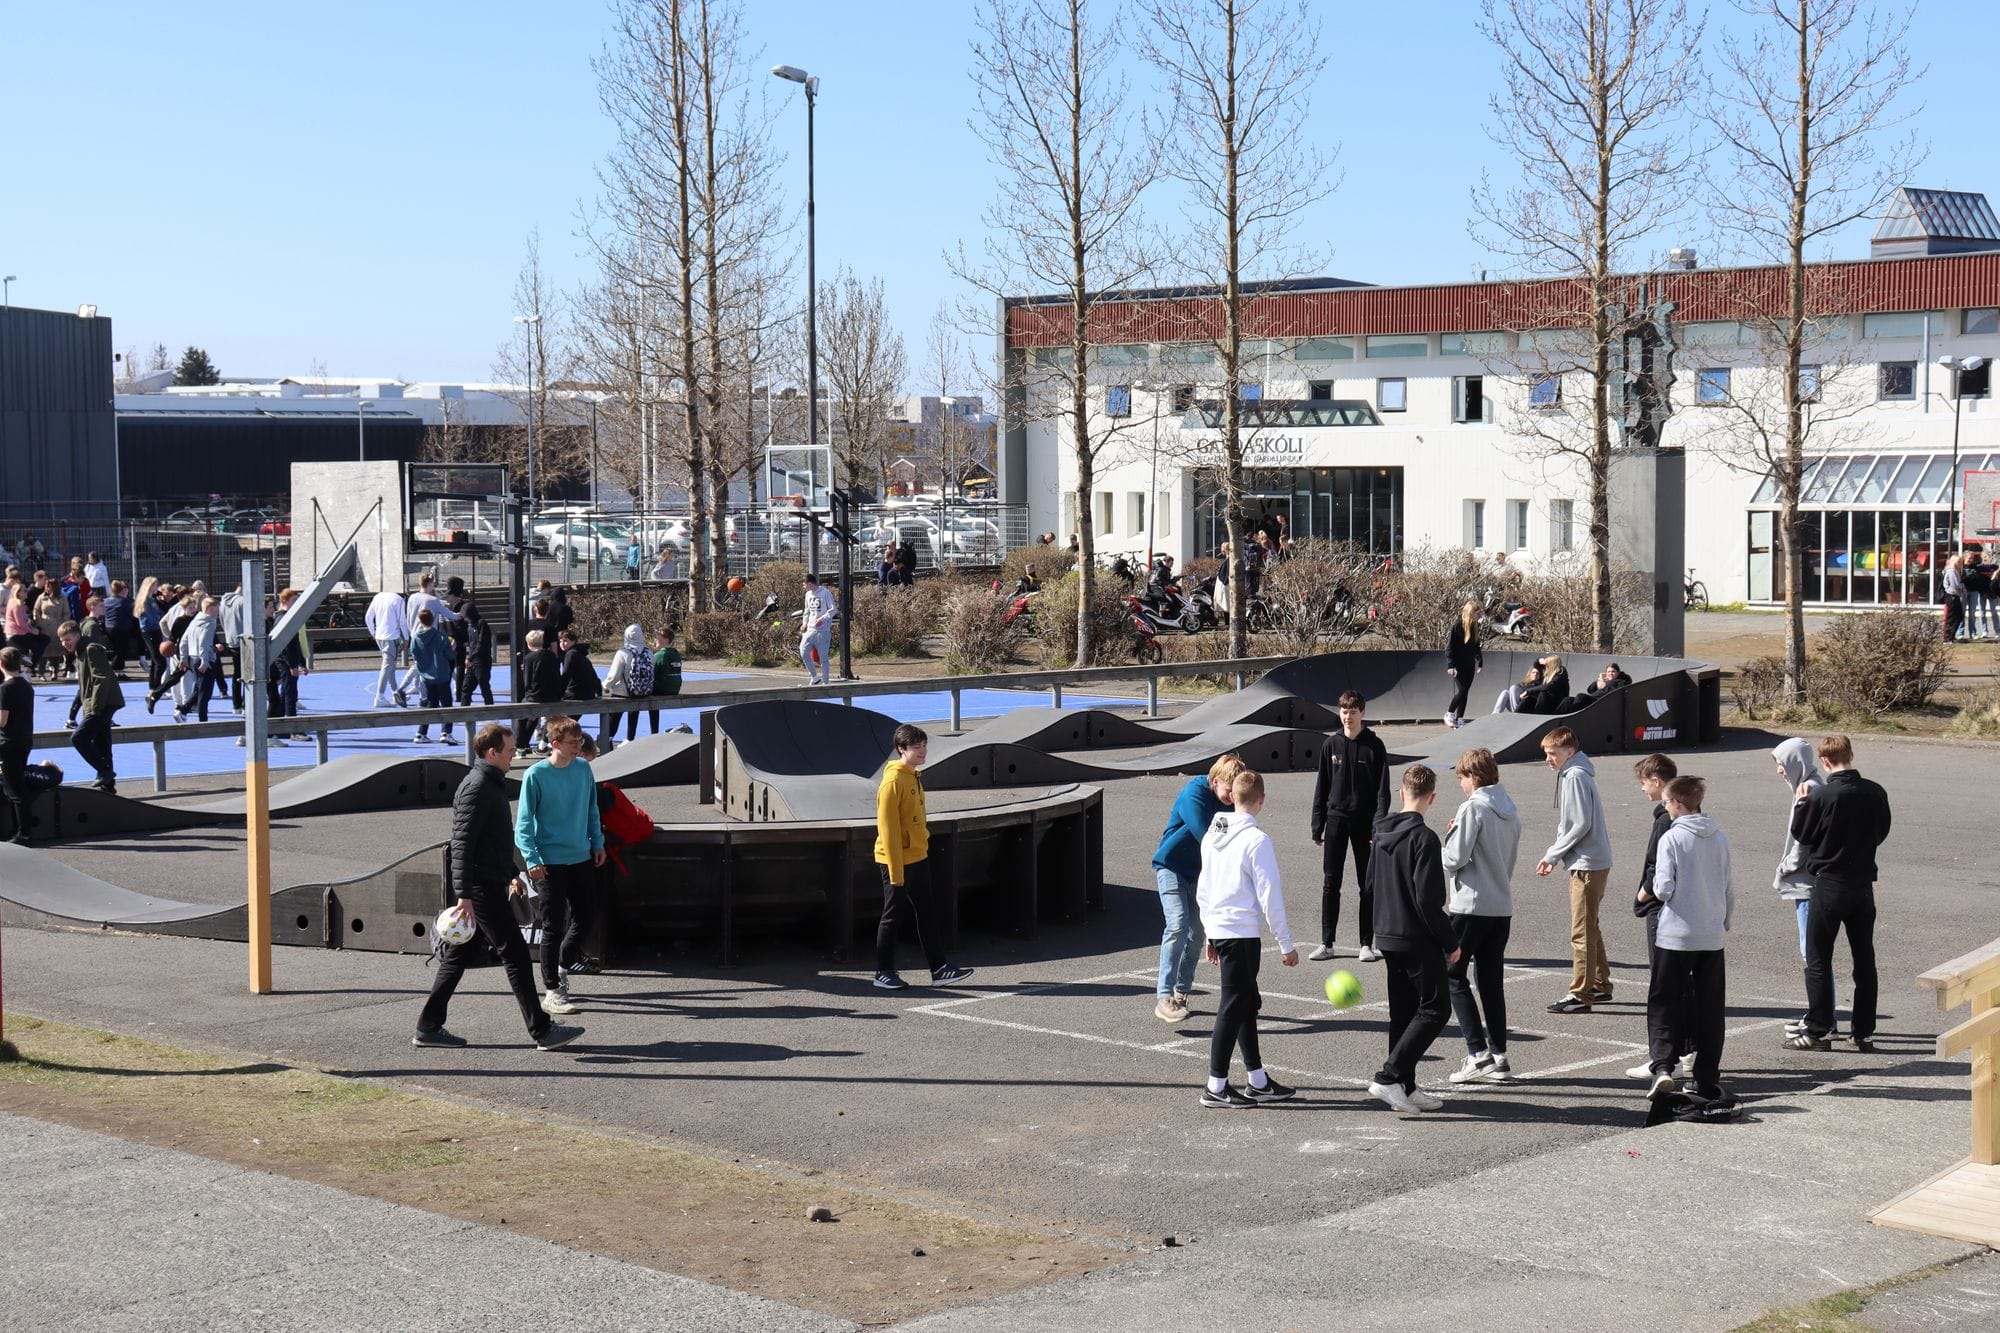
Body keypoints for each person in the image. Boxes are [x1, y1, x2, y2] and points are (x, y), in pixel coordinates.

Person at [414, 723, 582, 1052]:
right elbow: (462, 845)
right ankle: (542, 1031)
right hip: (481, 889)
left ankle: (428, 1026)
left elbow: (492, 841)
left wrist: (511, 872)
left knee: (457, 955)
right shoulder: (477, 787)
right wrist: (464, 895)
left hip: (488, 882)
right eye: (509, 751)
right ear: (492, 753)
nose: (513, 756)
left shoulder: (488, 783)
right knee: (516, 955)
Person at [1195, 768, 1297, 1108]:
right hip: (1241, 933)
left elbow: (1204, 889)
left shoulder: (1212, 836)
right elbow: (1270, 894)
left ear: (1233, 798)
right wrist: (1285, 943)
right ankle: (1216, 1086)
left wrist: (1210, 933)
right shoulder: (1257, 840)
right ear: (1261, 799)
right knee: (1233, 1005)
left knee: (1247, 1003)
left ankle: (1258, 1080)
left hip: (1222, 929)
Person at [1784, 734, 1891, 1053]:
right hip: (1862, 884)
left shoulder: (1822, 795)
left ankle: (1818, 1030)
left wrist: (1801, 804)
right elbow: (1882, 831)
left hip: (1829, 883)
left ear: (1825, 761)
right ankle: (1863, 1032)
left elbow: (1803, 835)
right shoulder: (1875, 791)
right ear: (1851, 755)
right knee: (1864, 960)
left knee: (1818, 958)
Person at [1367, 763, 1461, 1114]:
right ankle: (1389, 1076)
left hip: (1387, 934)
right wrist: (1450, 942)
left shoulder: (1380, 833)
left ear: (1401, 793)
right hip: (1415, 936)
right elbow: (1428, 900)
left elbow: (1369, 885)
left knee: (1404, 1013)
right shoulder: (1425, 838)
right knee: (1436, 1008)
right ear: (1432, 798)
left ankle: (1404, 1086)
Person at [1643, 775, 1733, 1101]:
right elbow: (1728, 887)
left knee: (1664, 1001)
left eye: (1667, 802)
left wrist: (1659, 889)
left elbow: (1664, 887)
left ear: (1678, 804)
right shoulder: (1719, 837)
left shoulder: (1672, 837)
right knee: (1710, 1008)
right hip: (1711, 933)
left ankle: (1663, 1066)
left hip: (1677, 934)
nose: (1665, 808)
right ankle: (1706, 1076)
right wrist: (1723, 921)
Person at [514, 716, 605, 1017]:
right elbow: (523, 823)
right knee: (553, 925)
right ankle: (552, 990)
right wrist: (532, 859)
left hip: (580, 856)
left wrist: (598, 842)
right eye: (572, 742)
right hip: (549, 861)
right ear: (555, 744)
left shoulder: (583, 769)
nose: (579, 745)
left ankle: (563, 964)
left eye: (580, 740)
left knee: (586, 916)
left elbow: (592, 809)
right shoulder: (535, 775)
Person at [872, 723, 973, 990]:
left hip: (917, 856)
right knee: (892, 916)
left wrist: (922, 847)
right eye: (916, 747)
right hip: (896, 860)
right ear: (901, 749)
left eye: (924, 745)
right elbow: (888, 830)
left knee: (927, 912)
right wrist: (896, 872)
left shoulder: (914, 776)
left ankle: (939, 968)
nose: (922, 751)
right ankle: (883, 972)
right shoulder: (893, 782)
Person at [1441, 747, 1519, 1084]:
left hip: (1470, 906)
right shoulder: (1509, 808)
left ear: (1473, 777)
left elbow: (1454, 858)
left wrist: (1447, 841)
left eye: (1461, 778)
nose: (1461, 784)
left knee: (1452, 973)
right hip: (1500, 905)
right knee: (1490, 980)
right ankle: (1499, 1055)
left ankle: (1477, 1053)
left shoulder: (1472, 807)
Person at [1149, 752, 1244, 1024]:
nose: (1233, 798)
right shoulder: (1195, 793)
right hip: (1171, 866)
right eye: (1229, 791)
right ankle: (1164, 997)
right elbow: (1207, 836)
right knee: (1178, 923)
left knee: (1198, 934)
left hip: (1199, 874)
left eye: (1237, 792)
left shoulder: (1231, 803)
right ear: (1215, 781)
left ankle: (1181, 993)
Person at [1625, 753, 1694, 1083]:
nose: (1642, 789)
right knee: (1682, 983)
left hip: (1662, 908)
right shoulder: (1686, 817)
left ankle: (1667, 1057)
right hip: (1681, 909)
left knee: (1665, 984)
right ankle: (1688, 1049)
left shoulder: (1666, 820)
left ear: (1656, 781)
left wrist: (1644, 892)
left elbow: (1658, 864)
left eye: (1643, 783)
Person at [1309, 689, 1391, 962]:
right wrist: (1317, 824)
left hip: (1365, 823)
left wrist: (1378, 826)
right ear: (1339, 712)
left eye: (1353, 713)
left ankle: (1366, 944)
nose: (1348, 717)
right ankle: (1327, 943)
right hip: (1336, 820)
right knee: (1330, 882)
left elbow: (1382, 792)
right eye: (1344, 712)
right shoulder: (1330, 745)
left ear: (1362, 713)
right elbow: (1322, 787)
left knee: (1367, 885)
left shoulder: (1374, 746)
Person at [1536, 725, 1613, 1014]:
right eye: (1546, 753)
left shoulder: (1575, 777)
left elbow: (1580, 824)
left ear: (1570, 752)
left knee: (1581, 931)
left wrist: (1552, 855)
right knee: (1589, 925)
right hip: (1591, 861)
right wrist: (1554, 852)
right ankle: (1600, 984)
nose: (1548, 759)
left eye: (1553, 753)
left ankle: (1581, 994)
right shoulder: (1573, 773)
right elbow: (1569, 823)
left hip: (1587, 864)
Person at [1771, 737, 1831, 1040]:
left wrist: (1786, 867)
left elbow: (1802, 842)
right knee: (1814, 953)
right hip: (1808, 881)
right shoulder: (1809, 786)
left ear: (1796, 762)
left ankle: (1822, 1019)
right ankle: (1820, 1015)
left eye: (1782, 763)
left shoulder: (1809, 791)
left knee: (1812, 955)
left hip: (1807, 883)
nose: (1780, 770)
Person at [59, 621, 122, 793]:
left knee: (79, 738)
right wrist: (74, 711)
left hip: (103, 703)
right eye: (62, 640)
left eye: (68, 639)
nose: (65, 643)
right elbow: (84, 686)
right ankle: (108, 786)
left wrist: (94, 709)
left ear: (77, 636)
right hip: (101, 703)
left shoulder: (90, 649)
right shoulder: (80, 653)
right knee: (102, 743)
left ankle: (104, 771)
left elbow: (101, 679)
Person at [0, 646, 41, 841]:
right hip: (24, 739)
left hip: (9, 742)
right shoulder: (26, 686)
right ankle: (17, 829)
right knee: (14, 785)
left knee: (14, 789)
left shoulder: (5, 689)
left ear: (1, 664)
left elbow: (2, 721)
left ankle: (24, 832)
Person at [600, 623, 655, 747]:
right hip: (644, 692)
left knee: (613, 712)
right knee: (631, 708)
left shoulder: (623, 653)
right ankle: (629, 737)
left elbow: (613, 677)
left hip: (624, 693)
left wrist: (603, 687)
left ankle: (608, 737)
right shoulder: (649, 652)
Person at [409, 608, 457, 745]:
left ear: (420, 621)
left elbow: (415, 655)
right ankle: (446, 732)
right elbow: (450, 655)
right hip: (441, 675)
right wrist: (452, 648)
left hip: (426, 676)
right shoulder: (440, 637)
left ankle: (421, 733)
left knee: (430, 705)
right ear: (434, 620)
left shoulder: (416, 639)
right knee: (447, 705)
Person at [267, 587, 307, 744]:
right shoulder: (282, 618)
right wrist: (292, 665)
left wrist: (301, 662)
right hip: (284, 661)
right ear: (284, 601)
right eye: (293, 600)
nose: (296, 603)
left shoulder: (290, 617)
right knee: (290, 694)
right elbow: (284, 645)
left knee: (286, 694)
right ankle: (292, 729)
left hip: (289, 661)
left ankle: (281, 727)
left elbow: (295, 642)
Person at [175, 597, 223, 724]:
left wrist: (183, 658)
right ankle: (203, 721)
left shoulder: (195, 620)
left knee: (198, 689)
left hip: (193, 658)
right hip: (204, 660)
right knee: (205, 693)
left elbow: (183, 641)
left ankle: (183, 711)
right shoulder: (210, 622)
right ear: (210, 609)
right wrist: (205, 660)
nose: (217, 613)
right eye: (216, 610)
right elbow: (204, 643)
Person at [516, 630, 563, 754]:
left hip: (536, 695)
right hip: (552, 695)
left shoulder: (529, 658)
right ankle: (531, 743)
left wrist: (528, 691)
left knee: (522, 716)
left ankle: (521, 745)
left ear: (529, 643)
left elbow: (527, 681)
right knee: (536, 717)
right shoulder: (551, 656)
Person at [365, 585, 410, 708]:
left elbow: (368, 617)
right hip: (391, 637)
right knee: (388, 666)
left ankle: (396, 692)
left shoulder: (378, 596)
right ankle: (380, 696)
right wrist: (406, 638)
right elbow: (402, 621)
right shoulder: (398, 600)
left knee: (390, 666)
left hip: (380, 636)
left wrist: (373, 632)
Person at [1444, 600, 1482, 729]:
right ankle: (1449, 713)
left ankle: (1460, 718)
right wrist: (1450, 665)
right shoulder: (1457, 626)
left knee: (1465, 693)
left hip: (1469, 665)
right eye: (1477, 613)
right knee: (1462, 690)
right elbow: (1449, 647)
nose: (1479, 616)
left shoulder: (1474, 627)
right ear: (1470, 613)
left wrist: (1480, 660)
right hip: (1458, 665)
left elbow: (1476, 646)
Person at [1493, 654, 1569, 714]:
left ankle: (1516, 713)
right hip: (1522, 705)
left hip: (1553, 704)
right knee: (1506, 692)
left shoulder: (1560, 673)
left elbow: (1549, 686)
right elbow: (1536, 665)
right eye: (1533, 673)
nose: (1545, 667)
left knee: (1514, 688)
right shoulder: (1526, 682)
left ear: (1552, 665)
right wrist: (1539, 660)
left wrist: (1527, 692)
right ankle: (1495, 714)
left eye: (1547, 665)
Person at [799, 572, 835, 686]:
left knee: (823, 658)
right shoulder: (808, 595)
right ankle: (814, 677)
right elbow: (806, 611)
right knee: (803, 651)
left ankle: (825, 682)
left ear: (810, 584)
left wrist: (822, 619)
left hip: (823, 632)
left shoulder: (825, 593)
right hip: (810, 630)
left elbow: (833, 609)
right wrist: (804, 623)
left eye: (804, 584)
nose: (803, 586)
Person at [456, 601, 495, 707]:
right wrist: (469, 656)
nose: (465, 619)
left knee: (484, 686)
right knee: (466, 687)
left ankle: (491, 709)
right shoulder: (470, 626)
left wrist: (470, 657)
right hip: (472, 661)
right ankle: (464, 710)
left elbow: (481, 644)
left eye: (465, 617)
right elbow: (471, 644)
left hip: (482, 661)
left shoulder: (481, 624)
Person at [1556, 661, 1632, 713]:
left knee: (1581, 697)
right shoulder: (1604, 680)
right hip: (1593, 698)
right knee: (1568, 700)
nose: (1610, 673)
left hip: (1600, 701)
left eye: (1613, 671)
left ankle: (1571, 713)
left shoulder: (1621, 681)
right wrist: (1600, 679)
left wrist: (1605, 686)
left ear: (1618, 673)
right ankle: (1556, 713)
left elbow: (1618, 691)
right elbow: (1590, 690)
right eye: (1608, 672)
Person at [649, 625, 683, 733]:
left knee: (648, 696)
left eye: (657, 637)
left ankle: (654, 731)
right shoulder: (676, 654)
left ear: (665, 639)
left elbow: (651, 675)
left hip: (663, 689)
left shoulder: (660, 655)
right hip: (675, 688)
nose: (655, 640)